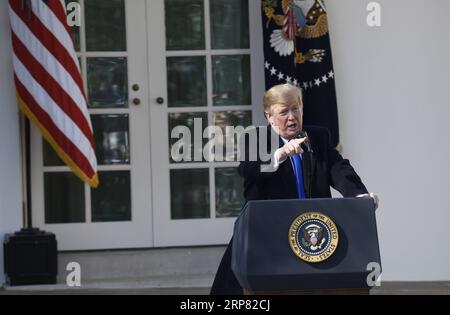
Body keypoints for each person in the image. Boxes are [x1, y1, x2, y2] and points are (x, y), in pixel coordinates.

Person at [210, 83, 378, 295]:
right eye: (283, 111)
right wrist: (278, 155)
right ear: (269, 116)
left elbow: (339, 168)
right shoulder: (255, 138)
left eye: (295, 109)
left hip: (309, 231)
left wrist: (359, 195)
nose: (291, 117)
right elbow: (247, 170)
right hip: (264, 232)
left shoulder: (317, 136)